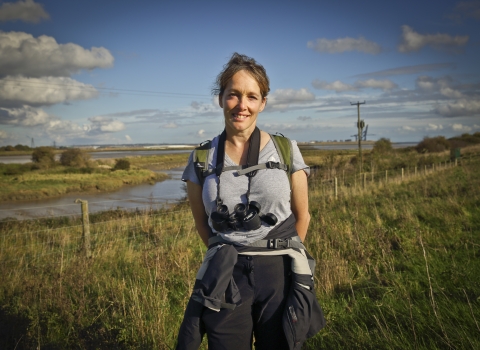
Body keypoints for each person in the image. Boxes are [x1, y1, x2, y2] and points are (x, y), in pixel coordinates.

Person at [176, 53, 324, 350]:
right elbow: (201, 222)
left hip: (279, 273)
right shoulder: (202, 158)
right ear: (221, 99)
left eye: (251, 97)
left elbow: (303, 215)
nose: (242, 105)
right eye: (234, 95)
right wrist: (227, 251)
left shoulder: (285, 149)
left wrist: (282, 252)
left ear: (262, 103)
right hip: (227, 275)